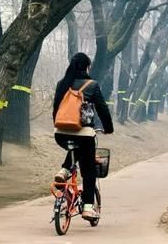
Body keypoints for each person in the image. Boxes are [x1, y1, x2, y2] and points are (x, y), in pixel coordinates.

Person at [52, 52, 114, 220]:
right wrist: (108, 128)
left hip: (61, 134)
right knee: (88, 171)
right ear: (87, 67)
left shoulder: (62, 84)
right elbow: (102, 109)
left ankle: (65, 169)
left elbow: (56, 108)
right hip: (84, 134)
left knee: (77, 148)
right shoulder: (92, 85)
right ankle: (87, 207)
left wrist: (58, 125)